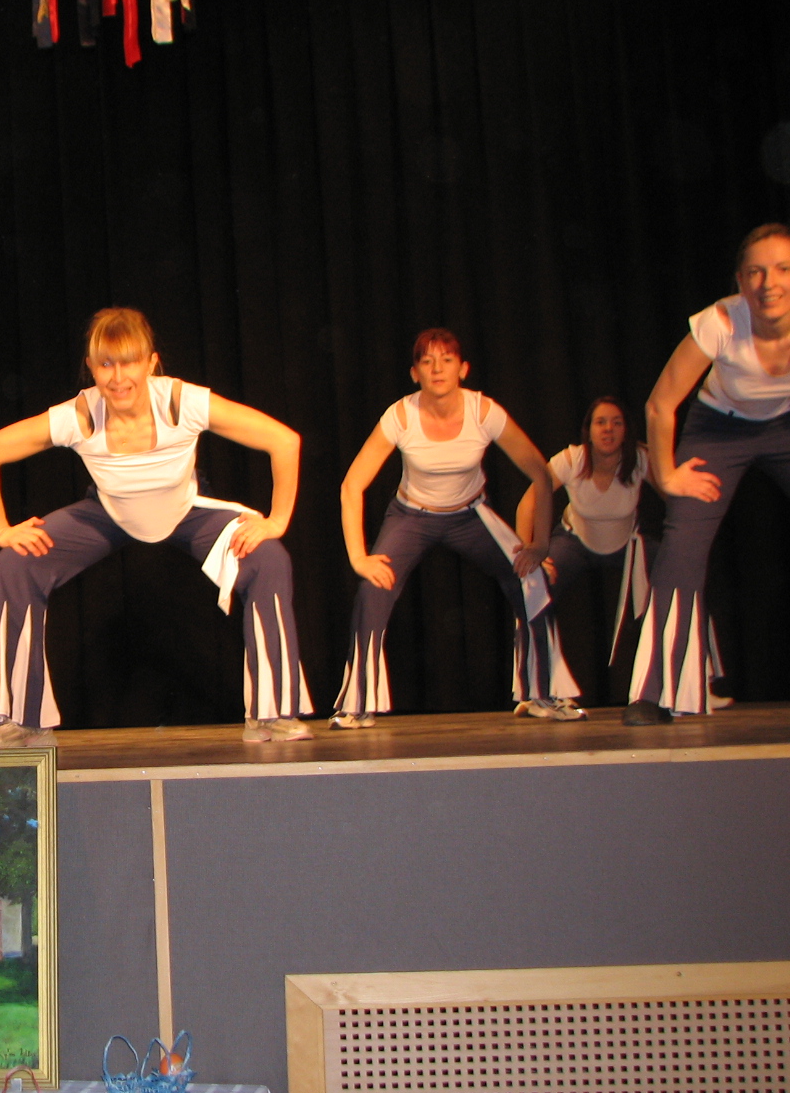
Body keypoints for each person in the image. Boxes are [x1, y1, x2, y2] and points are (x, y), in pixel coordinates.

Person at [0, 306, 313, 748]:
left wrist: (277, 521)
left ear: (151, 363)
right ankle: (25, 719)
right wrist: (1, 531)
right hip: (107, 515)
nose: (118, 378)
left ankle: (272, 714)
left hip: (186, 511)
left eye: (129, 362)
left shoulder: (182, 402)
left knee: (268, 558)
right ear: (91, 367)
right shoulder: (79, 415)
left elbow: (284, 441)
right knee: (14, 564)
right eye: (105, 364)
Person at [333, 327, 582, 726]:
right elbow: (351, 485)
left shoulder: (484, 412)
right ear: (415, 373)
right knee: (371, 590)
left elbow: (540, 472)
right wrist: (358, 557)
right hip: (412, 516)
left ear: (462, 369)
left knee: (531, 580)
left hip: (471, 515)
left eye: (446, 360)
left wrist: (539, 545)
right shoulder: (400, 416)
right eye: (427, 361)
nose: (437, 369)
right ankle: (357, 704)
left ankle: (543, 693)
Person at [624, 223, 790, 724]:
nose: (768, 283)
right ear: (740, 282)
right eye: (755, 272)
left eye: (782, 269)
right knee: (682, 543)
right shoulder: (720, 323)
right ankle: (655, 692)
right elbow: (660, 404)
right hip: (720, 428)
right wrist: (668, 475)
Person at [515, 398, 654, 673]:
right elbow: (528, 504)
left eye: (616, 423)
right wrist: (528, 550)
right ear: (588, 431)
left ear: (626, 430)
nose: (608, 429)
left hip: (627, 546)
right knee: (533, 583)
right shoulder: (572, 459)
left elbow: (673, 495)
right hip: (574, 541)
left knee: (678, 576)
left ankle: (688, 679)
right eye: (600, 422)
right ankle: (534, 679)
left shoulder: (639, 459)